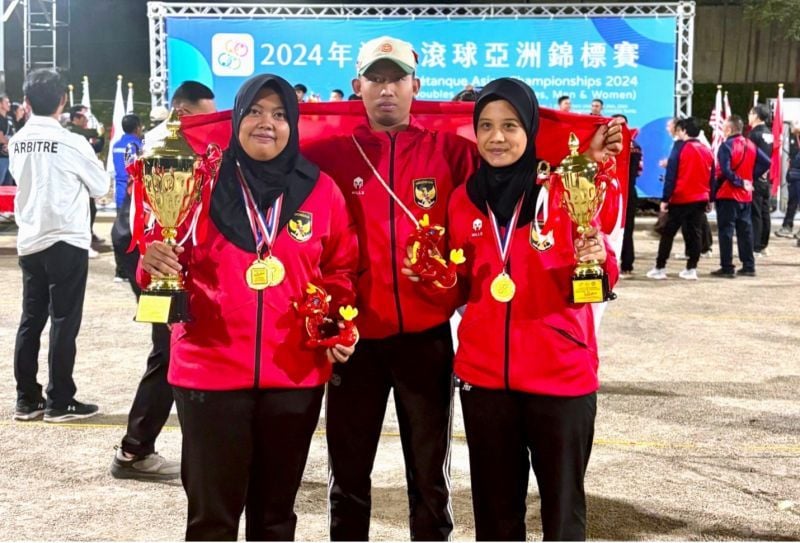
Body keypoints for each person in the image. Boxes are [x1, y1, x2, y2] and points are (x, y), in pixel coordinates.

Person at [304, 36, 622, 541]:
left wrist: (584, 156)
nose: (387, 89)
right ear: (357, 86)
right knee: (348, 472)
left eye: (397, 78)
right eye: (376, 78)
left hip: (428, 339)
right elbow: (265, 164)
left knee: (431, 473)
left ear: (416, 86)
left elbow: (527, 171)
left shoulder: (454, 153)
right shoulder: (325, 157)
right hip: (355, 341)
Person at [139, 74, 358, 540]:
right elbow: (157, 266)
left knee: (276, 519)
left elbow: (341, 269)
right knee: (211, 519)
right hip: (209, 373)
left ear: (293, 124)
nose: (267, 123)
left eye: (280, 114)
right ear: (237, 118)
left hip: (294, 376)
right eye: (256, 111)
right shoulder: (198, 183)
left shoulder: (322, 191)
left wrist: (335, 317)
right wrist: (151, 262)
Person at [441, 77, 620, 541]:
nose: (496, 137)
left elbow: (600, 282)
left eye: (510, 125)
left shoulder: (563, 190)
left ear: (531, 130)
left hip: (560, 378)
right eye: (485, 126)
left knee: (562, 517)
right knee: (496, 519)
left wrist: (598, 258)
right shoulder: (462, 201)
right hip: (484, 382)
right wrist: (434, 276)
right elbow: (459, 287)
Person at [109, 84, 217, 481]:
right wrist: (147, 265)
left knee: (168, 353)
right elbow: (146, 220)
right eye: (204, 116)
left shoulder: (177, 147)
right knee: (171, 354)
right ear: (184, 113)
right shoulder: (165, 152)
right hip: (153, 261)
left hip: (159, 258)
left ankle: (139, 448)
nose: (210, 124)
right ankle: (136, 449)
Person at [10, 68, 108, 422]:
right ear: (63, 102)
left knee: (31, 319)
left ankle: (26, 398)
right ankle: (60, 400)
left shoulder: (18, 140)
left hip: (31, 238)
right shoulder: (72, 141)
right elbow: (100, 186)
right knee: (64, 320)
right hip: (65, 237)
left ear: (26, 102)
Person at [646, 117, 713, 281]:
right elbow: (712, 177)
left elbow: (671, 175)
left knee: (668, 234)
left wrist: (665, 199)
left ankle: (660, 267)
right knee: (695, 234)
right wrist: (710, 199)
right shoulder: (706, 149)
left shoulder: (680, 147)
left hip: (680, 198)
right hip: (700, 198)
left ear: (683, 131)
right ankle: (691, 268)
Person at [711, 115, 770, 278]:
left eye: (723, 127)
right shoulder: (750, 144)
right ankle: (749, 265)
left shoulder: (726, 146)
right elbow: (767, 162)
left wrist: (739, 181)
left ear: (729, 129)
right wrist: (750, 178)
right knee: (745, 231)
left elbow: (725, 171)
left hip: (728, 193)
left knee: (726, 231)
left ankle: (727, 267)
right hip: (745, 195)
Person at [67, 104, 105, 254]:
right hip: (73, 177)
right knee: (81, 209)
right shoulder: (69, 130)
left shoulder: (83, 134)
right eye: (83, 117)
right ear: (75, 117)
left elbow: (96, 148)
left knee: (91, 208)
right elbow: (84, 132)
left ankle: (88, 233)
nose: (86, 120)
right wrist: (97, 133)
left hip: (84, 174)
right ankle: (83, 240)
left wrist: (100, 138)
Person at [614, 114, 642, 276]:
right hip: (629, 191)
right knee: (627, 229)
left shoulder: (612, 145)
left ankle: (618, 262)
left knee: (613, 230)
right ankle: (627, 264)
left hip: (616, 192)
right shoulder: (636, 145)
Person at [747, 104, 773, 256]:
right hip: (765, 178)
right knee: (764, 212)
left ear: (756, 116)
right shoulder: (769, 133)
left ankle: (755, 246)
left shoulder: (754, 135)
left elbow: (750, 157)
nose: (748, 116)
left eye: (750, 113)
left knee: (755, 212)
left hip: (755, 177)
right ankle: (763, 244)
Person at [776, 121, 800, 238]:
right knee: (792, 203)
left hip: (797, 175)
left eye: (795, 124)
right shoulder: (793, 138)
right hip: (793, 176)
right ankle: (787, 226)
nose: (792, 126)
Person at [0, 94, 16, 185]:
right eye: (7, 102)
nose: (9, 104)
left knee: (8, 188)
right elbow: (1, 138)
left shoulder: (9, 119)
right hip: (1, 158)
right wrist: (12, 143)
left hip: (10, 158)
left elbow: (14, 135)